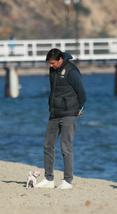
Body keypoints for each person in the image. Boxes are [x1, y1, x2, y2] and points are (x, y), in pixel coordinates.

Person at [36, 48, 86, 189]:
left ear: (60, 60)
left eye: (52, 63)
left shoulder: (71, 71)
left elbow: (82, 92)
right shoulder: (52, 70)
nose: (51, 66)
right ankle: (48, 179)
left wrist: (79, 109)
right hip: (54, 113)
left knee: (66, 147)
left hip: (69, 113)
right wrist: (50, 106)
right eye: (49, 64)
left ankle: (67, 181)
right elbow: (53, 91)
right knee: (47, 145)